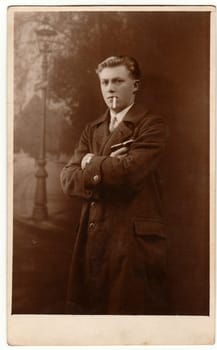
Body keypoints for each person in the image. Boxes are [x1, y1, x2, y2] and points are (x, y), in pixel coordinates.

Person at [60, 55, 169, 315]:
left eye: (118, 81)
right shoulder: (92, 129)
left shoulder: (152, 125)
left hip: (131, 241)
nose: (110, 88)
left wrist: (90, 162)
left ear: (135, 85)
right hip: (93, 235)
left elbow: (130, 173)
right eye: (105, 82)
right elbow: (67, 179)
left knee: (127, 315)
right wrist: (107, 163)